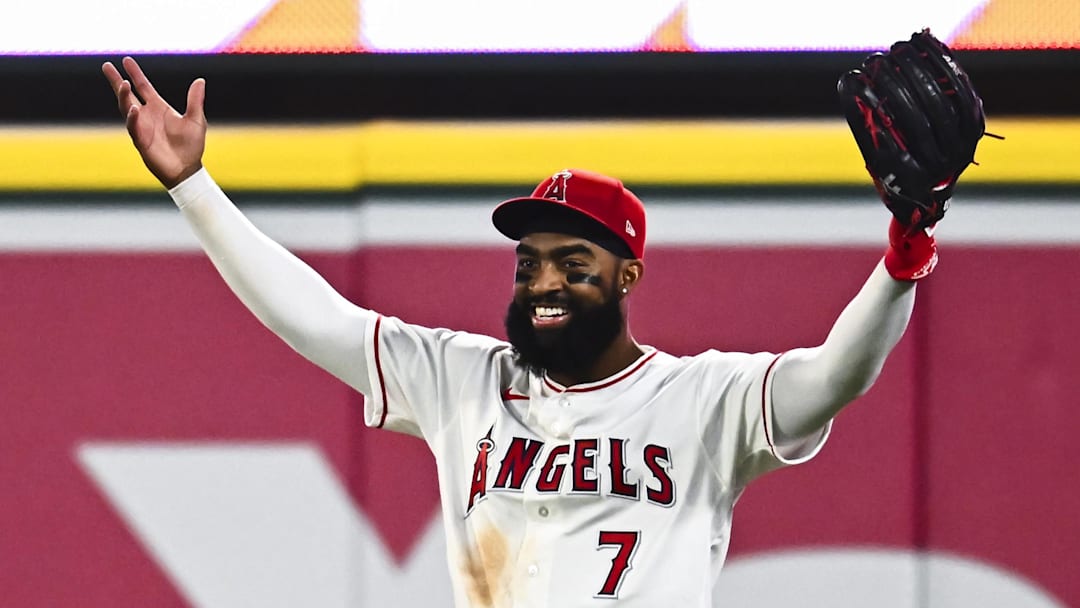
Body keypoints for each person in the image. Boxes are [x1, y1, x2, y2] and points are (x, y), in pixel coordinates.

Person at [102, 56, 934, 607]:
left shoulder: (701, 399)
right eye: (528, 261)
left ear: (627, 277)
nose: (544, 282)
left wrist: (904, 255)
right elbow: (317, 318)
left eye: (573, 263)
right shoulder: (463, 380)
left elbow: (833, 377)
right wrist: (196, 191)